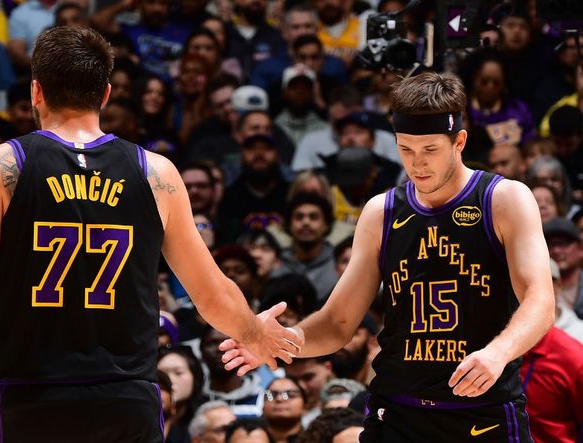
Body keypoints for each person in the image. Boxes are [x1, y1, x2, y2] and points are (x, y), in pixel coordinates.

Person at [0, 26, 301, 442]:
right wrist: (254, 333)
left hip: (32, 397)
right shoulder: (155, 172)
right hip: (127, 400)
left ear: (36, 91)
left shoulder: (1, 164)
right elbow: (212, 295)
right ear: (105, 94)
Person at [221, 72, 554, 442]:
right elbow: (337, 323)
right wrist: (286, 339)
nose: (417, 164)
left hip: (482, 410)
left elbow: (540, 300)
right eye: (405, 149)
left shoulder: (504, 199)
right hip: (397, 412)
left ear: (459, 141)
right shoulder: (382, 211)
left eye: (430, 150)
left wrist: (498, 352)